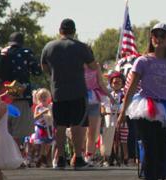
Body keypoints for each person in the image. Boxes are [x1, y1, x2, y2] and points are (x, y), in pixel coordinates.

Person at [117, 23, 166, 180]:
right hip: (146, 108)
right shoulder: (142, 61)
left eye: (163, 35)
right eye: (155, 35)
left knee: (162, 150)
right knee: (150, 147)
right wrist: (123, 112)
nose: (159, 38)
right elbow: (130, 89)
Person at [40, 18, 100, 170]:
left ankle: (60, 159)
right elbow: (93, 66)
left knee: (59, 126)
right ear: (74, 31)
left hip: (58, 91)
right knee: (77, 125)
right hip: (77, 91)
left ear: (60, 31)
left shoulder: (49, 46)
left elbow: (44, 67)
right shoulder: (81, 47)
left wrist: (55, 73)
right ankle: (78, 158)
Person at [0, 32, 40, 156]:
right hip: (21, 94)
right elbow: (37, 71)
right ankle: (15, 156)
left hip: (2, 95)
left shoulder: (2, 53)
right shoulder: (25, 53)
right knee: (19, 130)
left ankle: (5, 155)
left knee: (5, 128)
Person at [82, 62, 109, 164]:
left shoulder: (96, 65)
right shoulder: (77, 64)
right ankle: (79, 153)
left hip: (94, 99)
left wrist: (110, 96)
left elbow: (101, 83)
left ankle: (89, 155)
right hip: (80, 99)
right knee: (81, 130)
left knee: (92, 131)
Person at [29, 88, 55, 167]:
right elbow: (35, 117)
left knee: (48, 143)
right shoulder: (38, 107)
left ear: (49, 97)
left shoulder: (51, 106)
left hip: (49, 127)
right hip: (41, 127)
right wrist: (43, 113)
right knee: (41, 143)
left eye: (45, 96)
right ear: (38, 99)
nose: (43, 98)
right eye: (41, 97)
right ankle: (39, 157)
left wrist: (50, 114)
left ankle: (43, 157)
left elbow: (52, 116)